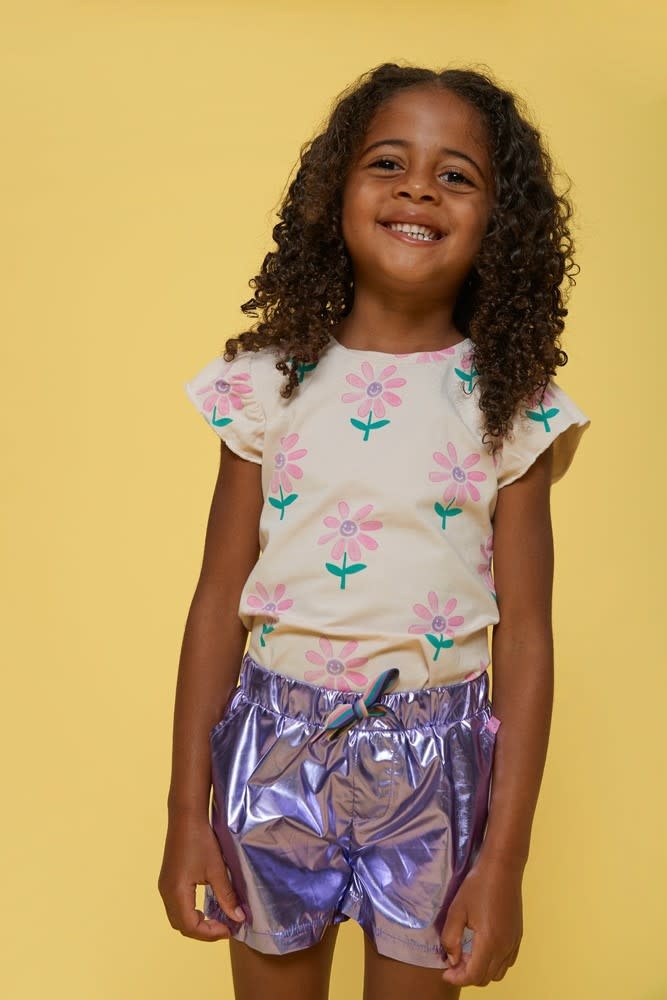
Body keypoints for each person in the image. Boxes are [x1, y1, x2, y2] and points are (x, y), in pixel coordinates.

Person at [158, 63, 590, 999]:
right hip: (272, 750)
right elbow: (215, 604)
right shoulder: (266, 385)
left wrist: (503, 863)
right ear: (333, 193)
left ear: (499, 224)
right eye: (388, 162)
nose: (418, 189)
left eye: (456, 175)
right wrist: (185, 813)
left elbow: (526, 636)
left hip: (436, 764)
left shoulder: (510, 407)